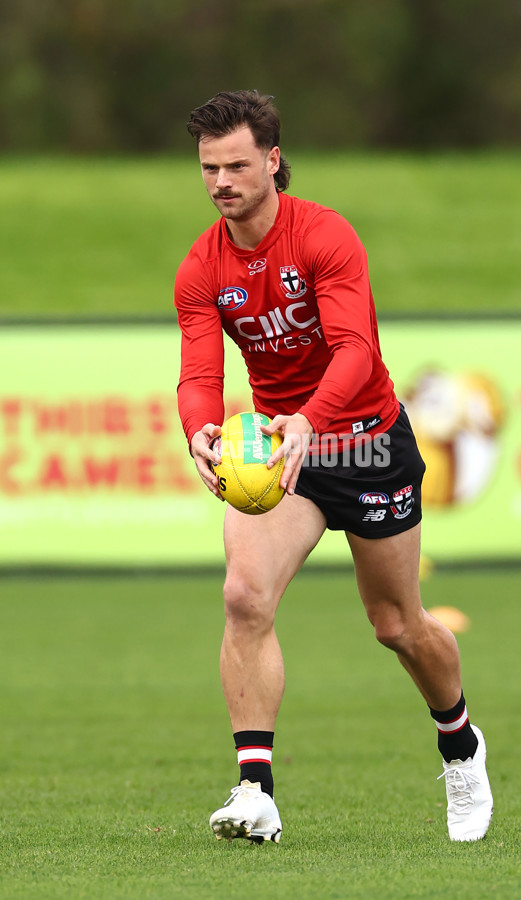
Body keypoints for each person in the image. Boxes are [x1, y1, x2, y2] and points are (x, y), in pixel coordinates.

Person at [175, 90, 493, 845]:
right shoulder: (201, 267)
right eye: (209, 168)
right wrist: (199, 429)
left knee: (397, 626)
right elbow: (199, 372)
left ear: (273, 161)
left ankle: (460, 745)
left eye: (236, 165)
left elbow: (356, 350)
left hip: (365, 443)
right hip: (283, 459)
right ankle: (255, 789)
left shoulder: (324, 237)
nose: (221, 181)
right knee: (244, 597)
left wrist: (310, 423)